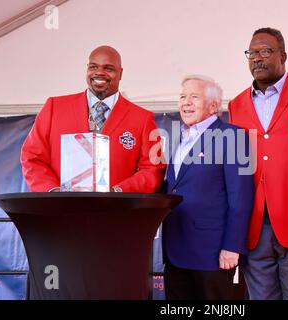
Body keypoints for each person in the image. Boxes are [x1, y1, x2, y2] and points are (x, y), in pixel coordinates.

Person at [228, 27, 288, 300]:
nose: (257, 58)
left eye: (265, 51)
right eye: (252, 53)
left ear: (283, 56)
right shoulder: (236, 104)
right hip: (255, 223)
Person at [21, 46, 165, 192]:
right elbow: (32, 157)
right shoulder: (54, 107)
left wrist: (119, 192)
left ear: (120, 73)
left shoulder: (142, 118)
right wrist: (53, 192)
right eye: (93, 66)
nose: (99, 72)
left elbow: (153, 170)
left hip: (117, 212)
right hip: (61, 211)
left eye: (108, 68)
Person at [162, 75, 254, 300]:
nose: (186, 102)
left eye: (194, 97)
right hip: (175, 250)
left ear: (213, 106)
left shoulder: (233, 136)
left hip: (213, 254)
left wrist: (233, 246)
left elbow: (241, 196)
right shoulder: (181, 137)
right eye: (182, 96)